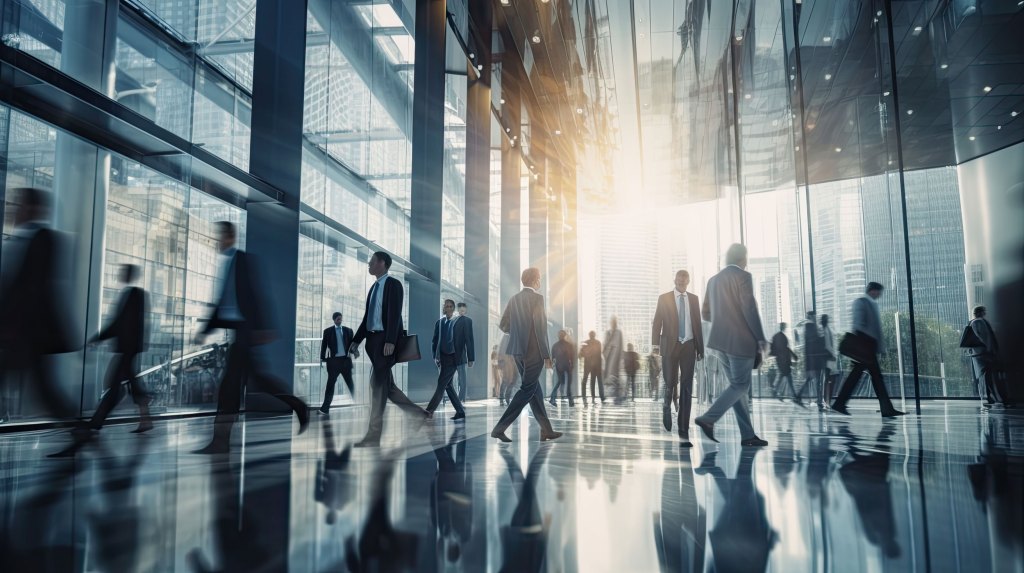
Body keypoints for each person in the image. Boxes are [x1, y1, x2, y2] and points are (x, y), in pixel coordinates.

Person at [192, 221, 309, 454]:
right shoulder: (227, 263)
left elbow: (257, 295)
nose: (218, 241)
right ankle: (298, 405)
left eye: (221, 236)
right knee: (258, 380)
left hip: (246, 332)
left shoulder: (242, 260)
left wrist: (265, 327)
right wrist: (205, 330)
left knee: (230, 387)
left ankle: (220, 442)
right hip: (239, 332)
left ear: (231, 237)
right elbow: (223, 303)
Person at [0, 188, 80, 451]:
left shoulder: (45, 238)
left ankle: (81, 431)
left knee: (46, 390)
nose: (14, 210)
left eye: (19, 205)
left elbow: (34, 290)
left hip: (27, 333)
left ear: (34, 209)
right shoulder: (21, 239)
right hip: (20, 333)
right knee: (46, 390)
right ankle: (81, 432)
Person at [348, 251, 430, 447]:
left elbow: (395, 314)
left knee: (376, 386)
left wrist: (391, 340)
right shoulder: (374, 288)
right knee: (387, 387)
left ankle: (373, 435)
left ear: (383, 263)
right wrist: (356, 340)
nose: (369, 265)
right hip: (373, 342)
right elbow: (368, 318)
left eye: (372, 262)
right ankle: (419, 415)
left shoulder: (393, 285)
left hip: (386, 342)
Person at [693, 243, 769, 447]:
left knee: (737, 388)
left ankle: (747, 435)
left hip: (719, 342)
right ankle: (709, 418)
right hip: (739, 341)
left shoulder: (713, 280)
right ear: (743, 258)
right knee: (740, 385)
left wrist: (723, 316)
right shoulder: (743, 277)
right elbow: (749, 309)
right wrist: (761, 338)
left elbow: (705, 314)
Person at [490, 267, 562, 443]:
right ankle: (499, 429)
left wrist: (518, 334)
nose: (540, 282)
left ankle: (546, 430)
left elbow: (503, 324)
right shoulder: (538, 298)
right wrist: (546, 355)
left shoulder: (514, 299)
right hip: (534, 352)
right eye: (540, 279)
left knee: (534, 389)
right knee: (527, 389)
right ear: (535, 280)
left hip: (517, 351)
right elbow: (540, 327)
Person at [87, 264, 153, 433]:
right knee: (125, 383)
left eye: (122, 272)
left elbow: (122, 325)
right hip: (128, 349)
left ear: (129, 275)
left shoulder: (135, 295)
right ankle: (144, 417)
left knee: (116, 383)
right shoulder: (131, 295)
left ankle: (97, 421)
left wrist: (99, 338)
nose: (119, 274)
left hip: (127, 349)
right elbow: (120, 324)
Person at [830, 282, 905, 417]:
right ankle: (886, 409)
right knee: (875, 378)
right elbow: (858, 324)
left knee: (864, 377)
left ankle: (840, 404)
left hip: (868, 346)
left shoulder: (871, 304)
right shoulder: (862, 302)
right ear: (872, 291)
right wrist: (863, 345)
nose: (879, 295)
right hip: (865, 346)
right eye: (878, 292)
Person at [652, 269, 706, 446]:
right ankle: (666, 405)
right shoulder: (664, 298)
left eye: (685, 279)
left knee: (687, 387)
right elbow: (657, 322)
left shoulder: (694, 299)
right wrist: (655, 345)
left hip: (689, 345)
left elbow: (697, 324)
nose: (682, 281)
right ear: (674, 280)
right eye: (680, 278)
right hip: (670, 345)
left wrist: (700, 348)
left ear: (688, 281)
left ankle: (684, 432)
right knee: (670, 382)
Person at [426, 299, 468, 421]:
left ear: (453, 308)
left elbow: (463, 341)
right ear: (443, 308)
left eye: (450, 306)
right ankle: (460, 411)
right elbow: (434, 341)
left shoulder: (457, 322)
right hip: (442, 358)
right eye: (446, 306)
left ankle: (429, 410)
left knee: (441, 383)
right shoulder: (439, 323)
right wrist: (435, 356)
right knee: (448, 385)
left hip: (453, 358)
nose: (448, 308)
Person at [318, 311, 357, 415]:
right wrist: (322, 358)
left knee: (350, 384)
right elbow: (324, 346)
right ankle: (324, 409)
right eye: (338, 319)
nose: (340, 320)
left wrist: (355, 352)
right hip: (334, 362)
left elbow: (352, 345)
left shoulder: (348, 331)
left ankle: (358, 403)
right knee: (330, 386)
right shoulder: (327, 331)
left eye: (341, 318)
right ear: (334, 320)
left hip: (345, 361)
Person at [967, 306, 1004, 406]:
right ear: (981, 312)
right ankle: (989, 397)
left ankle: (988, 397)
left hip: (978, 353)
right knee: (987, 374)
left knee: (984, 375)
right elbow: (984, 337)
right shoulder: (979, 322)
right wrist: (989, 350)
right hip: (983, 352)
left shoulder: (973, 322)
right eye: (984, 311)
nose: (985, 313)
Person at [797, 310, 825, 407]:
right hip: (814, 358)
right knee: (817, 380)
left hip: (812, 358)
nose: (815, 318)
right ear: (811, 316)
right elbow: (813, 343)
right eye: (814, 316)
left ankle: (800, 396)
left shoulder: (809, 327)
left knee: (812, 379)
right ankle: (819, 400)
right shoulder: (810, 326)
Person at [769, 322, 800, 405]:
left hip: (780, 361)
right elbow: (786, 349)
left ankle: (775, 391)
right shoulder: (782, 337)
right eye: (785, 326)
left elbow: (780, 349)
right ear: (783, 327)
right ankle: (794, 395)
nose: (786, 328)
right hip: (784, 361)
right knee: (789, 379)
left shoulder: (777, 336)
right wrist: (793, 356)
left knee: (783, 377)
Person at [454, 302, 475, 402]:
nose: (462, 310)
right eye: (460, 309)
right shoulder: (454, 321)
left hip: (460, 355)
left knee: (461, 379)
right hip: (455, 355)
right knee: (460, 379)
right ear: (458, 310)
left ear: (465, 310)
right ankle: (460, 399)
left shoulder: (466, 321)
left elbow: (469, 340)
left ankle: (460, 399)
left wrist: (471, 358)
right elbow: (469, 340)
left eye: (463, 309)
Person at [549, 330, 576, 407]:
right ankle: (570, 400)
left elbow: (553, 357)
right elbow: (572, 357)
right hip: (567, 366)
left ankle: (553, 398)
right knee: (568, 384)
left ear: (558, 336)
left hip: (559, 366)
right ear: (565, 336)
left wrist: (552, 366)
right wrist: (572, 365)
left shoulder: (555, 346)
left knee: (560, 382)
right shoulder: (569, 345)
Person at [579, 331, 604, 405]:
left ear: (589, 335)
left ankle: (584, 397)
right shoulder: (598, 343)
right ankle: (594, 398)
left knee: (585, 381)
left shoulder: (586, 343)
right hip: (595, 365)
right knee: (593, 381)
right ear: (594, 335)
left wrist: (584, 353)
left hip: (587, 365)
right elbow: (599, 355)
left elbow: (581, 354)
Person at [603, 317, 624, 400]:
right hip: (608, 355)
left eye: (614, 322)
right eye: (612, 322)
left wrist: (621, 357)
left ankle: (617, 393)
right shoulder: (607, 332)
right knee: (609, 374)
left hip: (616, 354)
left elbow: (621, 344)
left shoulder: (619, 332)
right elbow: (605, 343)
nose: (613, 323)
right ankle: (612, 393)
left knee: (615, 373)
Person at [820, 314, 837, 410]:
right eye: (827, 319)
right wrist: (833, 355)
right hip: (829, 357)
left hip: (830, 357)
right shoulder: (825, 330)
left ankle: (827, 401)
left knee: (829, 380)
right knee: (829, 380)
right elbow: (827, 346)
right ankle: (827, 401)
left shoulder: (826, 329)